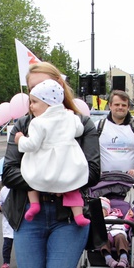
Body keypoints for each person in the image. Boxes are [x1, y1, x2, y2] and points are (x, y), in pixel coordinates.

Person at [2, 61, 101, 268]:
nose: (34, 99)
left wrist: (57, 181)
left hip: (67, 219)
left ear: (58, 88)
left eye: (41, 89)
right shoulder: (24, 124)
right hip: (30, 215)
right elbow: (9, 172)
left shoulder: (81, 124)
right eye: (30, 91)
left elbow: (93, 170)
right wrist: (48, 179)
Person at [14, 79, 90, 227]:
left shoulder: (38, 122)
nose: (31, 106)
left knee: (31, 177)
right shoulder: (69, 117)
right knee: (73, 187)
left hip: (46, 166)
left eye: (34, 102)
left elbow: (32, 145)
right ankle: (78, 215)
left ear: (47, 103)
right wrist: (73, 118)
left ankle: (34, 204)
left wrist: (20, 139)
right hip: (68, 164)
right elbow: (79, 131)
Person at [98, 90, 134, 176]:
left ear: (128, 107)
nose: (120, 107)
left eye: (124, 105)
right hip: (102, 181)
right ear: (110, 105)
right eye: (117, 104)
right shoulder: (98, 126)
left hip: (129, 181)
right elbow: (89, 152)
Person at [98, 196, 133, 268]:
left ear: (107, 211)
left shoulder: (115, 217)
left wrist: (129, 217)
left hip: (117, 231)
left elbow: (125, 226)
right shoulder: (97, 220)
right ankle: (109, 259)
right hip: (106, 234)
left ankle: (123, 259)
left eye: (102, 210)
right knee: (103, 241)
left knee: (121, 238)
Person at [0, 184, 14, 268]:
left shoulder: (21, 188)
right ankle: (5, 263)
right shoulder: (4, 190)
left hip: (21, 222)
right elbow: (0, 203)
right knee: (7, 244)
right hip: (8, 222)